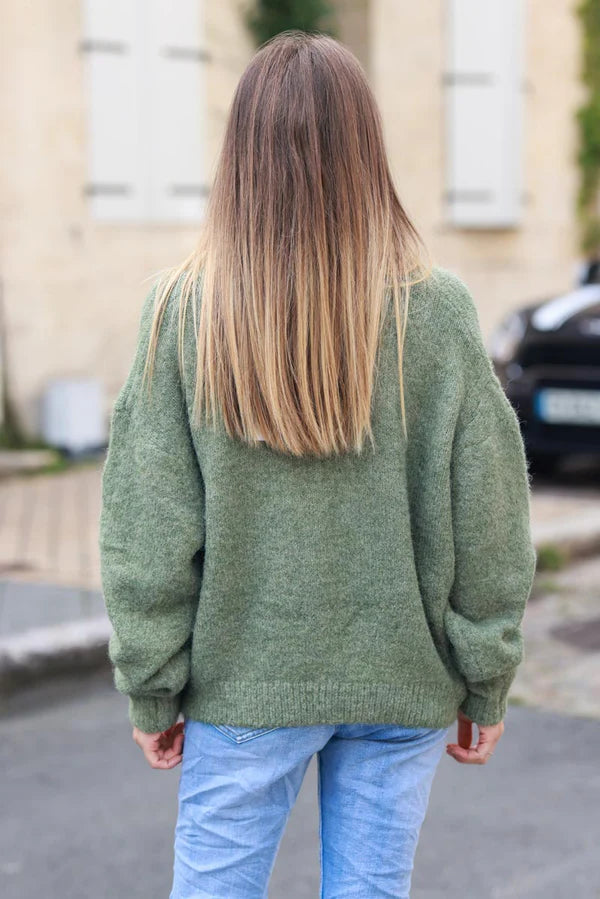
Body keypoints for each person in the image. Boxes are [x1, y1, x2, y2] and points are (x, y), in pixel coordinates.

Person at [99, 29, 537, 899]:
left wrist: (152, 687)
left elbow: (145, 532)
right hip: (399, 686)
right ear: (365, 154)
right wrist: (485, 676)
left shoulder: (181, 314)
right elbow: (490, 517)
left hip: (242, 690)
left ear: (240, 159)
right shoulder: (436, 313)